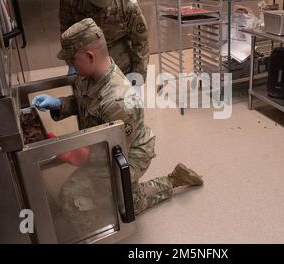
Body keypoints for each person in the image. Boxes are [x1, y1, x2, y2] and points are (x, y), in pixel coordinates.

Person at [33, 19, 203, 233]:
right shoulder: (89, 76)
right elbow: (83, 103)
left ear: (90, 56)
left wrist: (77, 155)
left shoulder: (119, 100)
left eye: (73, 60)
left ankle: (171, 181)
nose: (70, 65)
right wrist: (59, 104)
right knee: (106, 195)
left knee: (78, 197)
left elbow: (115, 151)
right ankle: (129, 193)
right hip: (107, 145)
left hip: (129, 154)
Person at [59, 0, 150, 81]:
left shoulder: (128, 4)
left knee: (118, 93)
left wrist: (137, 77)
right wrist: (72, 61)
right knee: (84, 95)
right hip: (84, 53)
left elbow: (141, 43)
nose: (97, 6)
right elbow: (66, 27)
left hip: (118, 54)